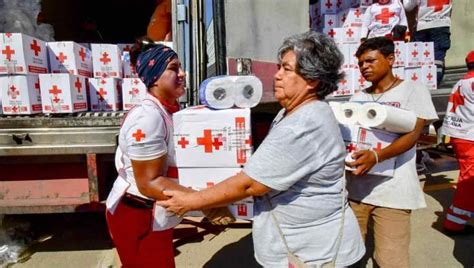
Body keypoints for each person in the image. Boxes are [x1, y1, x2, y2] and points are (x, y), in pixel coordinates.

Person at [158, 31, 366, 267]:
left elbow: (251, 184)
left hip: (317, 255)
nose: (277, 76)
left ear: (313, 80)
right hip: (301, 248)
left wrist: (192, 202)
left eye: (286, 69)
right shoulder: (293, 112)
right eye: (279, 67)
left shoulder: (303, 125)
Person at [105, 38, 233, 268]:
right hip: (138, 217)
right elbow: (149, 183)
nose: (183, 73)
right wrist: (206, 203)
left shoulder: (167, 110)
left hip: (155, 212)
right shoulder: (148, 118)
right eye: (174, 68)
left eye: (181, 67)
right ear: (154, 77)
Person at [346, 37, 438, 267]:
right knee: (348, 257)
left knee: (391, 260)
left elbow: (413, 135)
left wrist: (377, 157)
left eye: (370, 61)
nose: (364, 67)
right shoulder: (358, 97)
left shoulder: (412, 90)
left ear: (390, 59)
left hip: (393, 194)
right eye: (360, 63)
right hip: (356, 192)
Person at [440, 50, 474, 234]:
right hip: (469, 137)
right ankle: (454, 223)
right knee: (469, 181)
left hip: (460, 134)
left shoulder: (461, 82)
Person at [403, 0, 452, 85]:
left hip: (423, 26)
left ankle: (420, 82)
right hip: (442, 24)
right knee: (438, 56)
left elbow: (408, 7)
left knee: (419, 57)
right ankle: (435, 82)